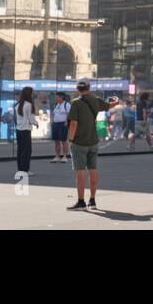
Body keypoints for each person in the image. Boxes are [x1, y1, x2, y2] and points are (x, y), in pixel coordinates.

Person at [67, 81, 108, 210]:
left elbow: (73, 123)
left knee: (80, 171)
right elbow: (109, 106)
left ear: (77, 89)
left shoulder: (76, 103)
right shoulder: (96, 100)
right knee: (93, 169)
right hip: (93, 141)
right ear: (89, 88)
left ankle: (81, 202)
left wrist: (70, 139)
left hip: (79, 142)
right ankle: (93, 200)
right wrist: (115, 101)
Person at [15, 86, 37, 174]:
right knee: (27, 151)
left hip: (18, 129)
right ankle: (25, 170)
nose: (33, 94)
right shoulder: (29, 105)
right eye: (32, 92)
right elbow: (31, 119)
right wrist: (36, 123)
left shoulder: (17, 104)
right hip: (26, 130)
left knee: (20, 150)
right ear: (29, 94)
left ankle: (20, 169)